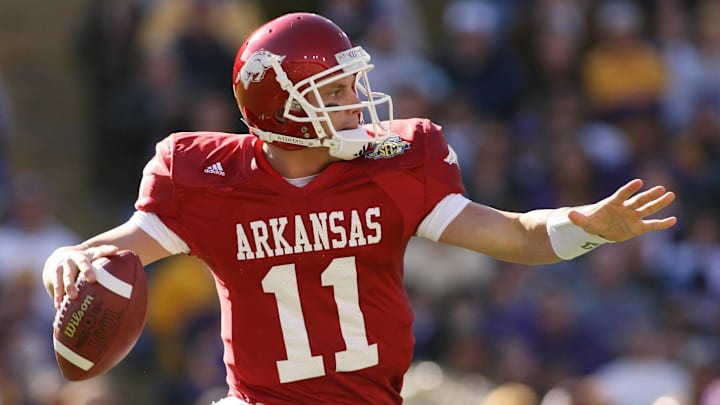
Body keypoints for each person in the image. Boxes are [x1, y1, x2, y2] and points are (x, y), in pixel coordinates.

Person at [42, 12, 677, 405]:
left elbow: (518, 236)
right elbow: (109, 252)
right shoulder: (208, 178)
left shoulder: (395, 162)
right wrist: (66, 259)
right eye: (337, 90)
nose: (357, 103)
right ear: (282, 105)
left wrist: (588, 229)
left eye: (352, 85)